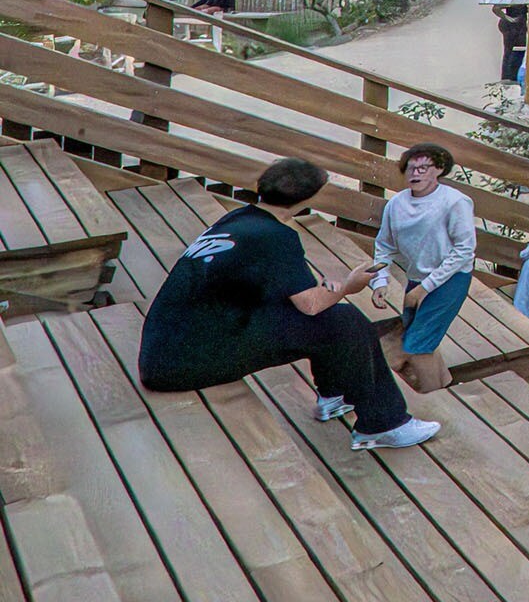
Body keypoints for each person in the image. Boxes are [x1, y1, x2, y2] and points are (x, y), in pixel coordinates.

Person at [137, 156, 441, 451]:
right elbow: (310, 305)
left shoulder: (238, 220)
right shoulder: (277, 237)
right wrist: (351, 284)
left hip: (164, 350)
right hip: (186, 363)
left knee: (331, 320)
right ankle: (383, 424)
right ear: (307, 200)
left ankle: (336, 394)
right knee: (344, 321)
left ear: (260, 185)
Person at [371, 143, 476, 395]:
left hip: (450, 279)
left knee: (417, 345)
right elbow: (383, 245)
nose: (415, 174)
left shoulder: (455, 202)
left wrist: (424, 289)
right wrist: (379, 281)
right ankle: (446, 384)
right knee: (422, 335)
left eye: (423, 168)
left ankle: (436, 399)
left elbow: (464, 250)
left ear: (439, 169)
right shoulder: (396, 204)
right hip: (416, 277)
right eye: (410, 168)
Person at [497, 3, 529, 87]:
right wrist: (509, 19)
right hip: (511, 26)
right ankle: (507, 77)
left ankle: (514, 76)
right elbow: (496, 8)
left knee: (519, 50)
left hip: (520, 25)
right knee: (509, 51)